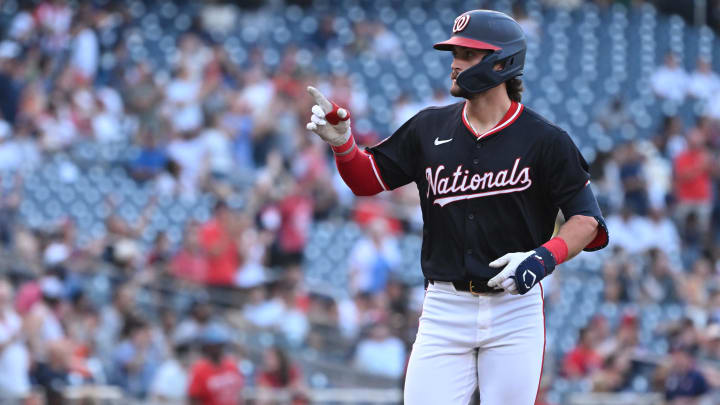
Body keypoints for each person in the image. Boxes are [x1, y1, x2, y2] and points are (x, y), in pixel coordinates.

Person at [305, 9, 608, 404]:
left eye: (467, 55)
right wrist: (343, 143)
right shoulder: (428, 127)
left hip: (514, 309)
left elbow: (587, 222)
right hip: (445, 306)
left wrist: (541, 258)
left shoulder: (546, 140)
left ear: (503, 63)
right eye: (454, 54)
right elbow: (368, 180)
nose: (455, 65)